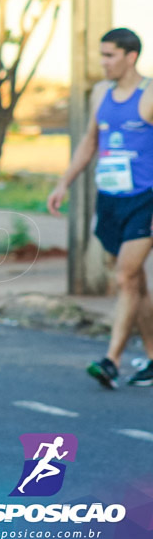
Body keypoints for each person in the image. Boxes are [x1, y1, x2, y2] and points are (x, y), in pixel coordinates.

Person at [47, 27, 153, 389]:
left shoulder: (149, 95)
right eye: (102, 55)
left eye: (109, 55)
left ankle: (111, 360)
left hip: (144, 199)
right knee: (132, 280)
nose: (103, 62)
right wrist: (65, 182)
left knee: (125, 276)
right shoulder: (100, 94)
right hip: (109, 199)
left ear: (130, 56)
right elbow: (90, 142)